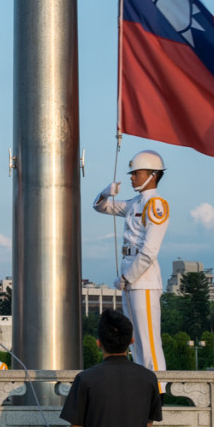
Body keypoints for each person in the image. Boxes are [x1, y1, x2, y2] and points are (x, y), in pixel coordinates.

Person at [53, 309, 162, 427]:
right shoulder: (149, 378)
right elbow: (147, 423)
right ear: (131, 342)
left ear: (99, 343)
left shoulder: (86, 379)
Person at [92, 150, 169, 376]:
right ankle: (141, 382)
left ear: (152, 175)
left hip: (143, 279)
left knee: (148, 339)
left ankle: (158, 388)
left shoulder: (156, 205)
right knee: (133, 338)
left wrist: (127, 277)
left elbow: (149, 251)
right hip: (130, 278)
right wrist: (105, 193)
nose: (132, 177)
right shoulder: (134, 203)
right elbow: (101, 207)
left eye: (137, 173)